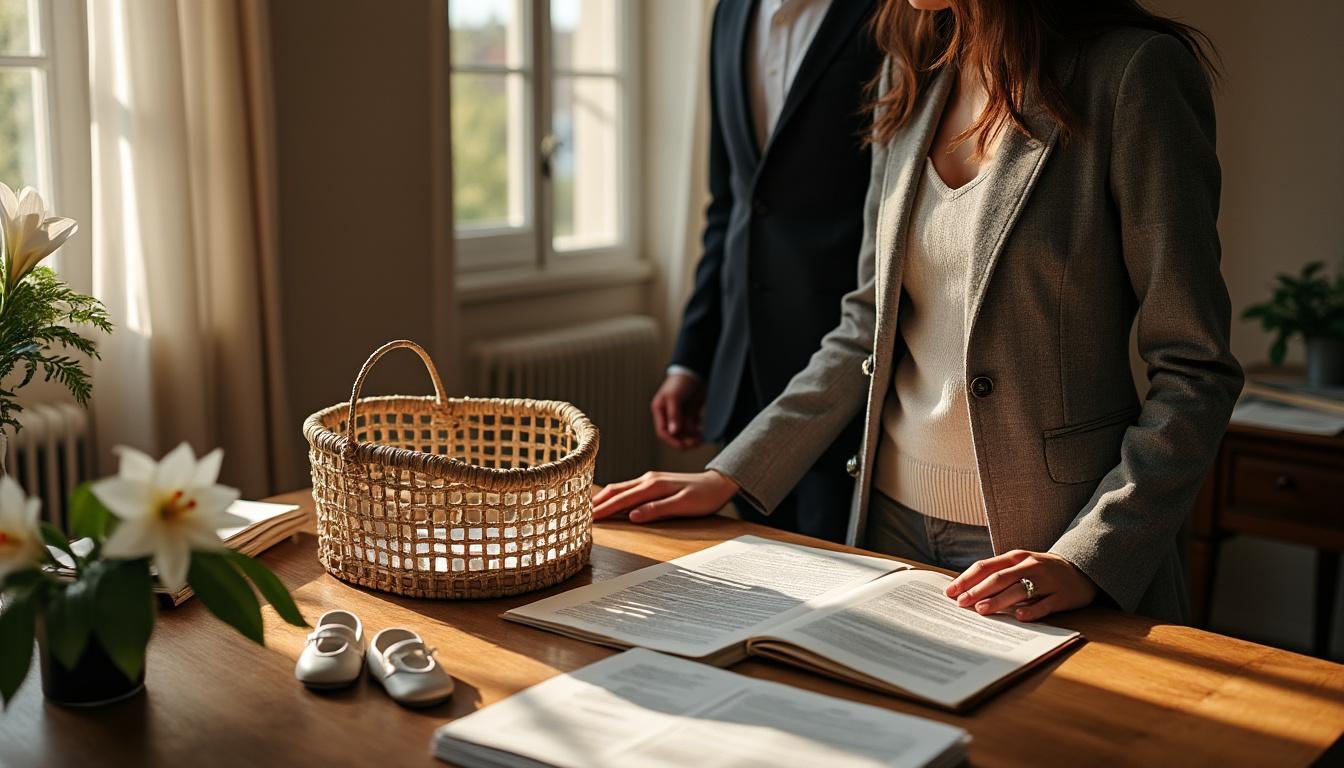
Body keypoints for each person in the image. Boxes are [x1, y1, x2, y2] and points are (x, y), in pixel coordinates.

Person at [601, 0, 1243, 625]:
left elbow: (1194, 369)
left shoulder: (1133, 72)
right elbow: (863, 328)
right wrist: (731, 474)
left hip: (1041, 545)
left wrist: (1086, 556)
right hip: (881, 524)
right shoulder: (911, 71)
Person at [651, 0, 882, 543]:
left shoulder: (895, 13)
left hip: (850, 374)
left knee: (833, 592)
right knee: (749, 595)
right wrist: (693, 357)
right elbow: (731, 202)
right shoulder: (729, 13)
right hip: (744, 376)